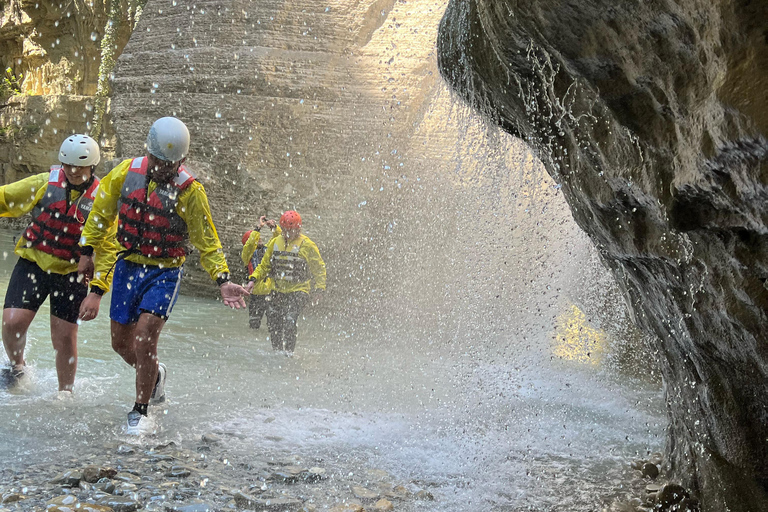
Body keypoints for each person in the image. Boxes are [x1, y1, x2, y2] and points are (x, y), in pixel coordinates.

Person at [77, 116, 248, 435]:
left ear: (181, 161)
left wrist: (222, 280)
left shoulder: (191, 191)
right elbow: (100, 213)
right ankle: (155, 375)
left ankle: (140, 411)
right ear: (148, 152)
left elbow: (207, 240)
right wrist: (87, 252)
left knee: (145, 336)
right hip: (127, 265)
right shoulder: (126, 172)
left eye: (168, 164)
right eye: (156, 160)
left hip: (165, 271)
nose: (160, 168)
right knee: (120, 344)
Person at [0, 134, 102, 393]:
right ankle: (17, 367)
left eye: (80, 167)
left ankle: (65, 392)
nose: (73, 171)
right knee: (12, 322)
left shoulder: (102, 199)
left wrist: (97, 292)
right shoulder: (44, 183)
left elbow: (110, 248)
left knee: (65, 337)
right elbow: (5, 197)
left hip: (72, 273)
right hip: (33, 262)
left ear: (92, 166)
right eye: (68, 165)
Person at [246, 210, 325, 353]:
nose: (288, 234)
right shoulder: (275, 242)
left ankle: (289, 353)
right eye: (285, 230)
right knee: (273, 322)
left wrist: (320, 289)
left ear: (298, 229)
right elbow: (264, 266)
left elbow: (318, 268)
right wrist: (253, 279)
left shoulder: (308, 245)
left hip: (299, 289)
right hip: (277, 289)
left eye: (291, 231)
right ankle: (277, 353)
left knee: (289, 320)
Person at [241, 216, 281, 330]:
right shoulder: (247, 255)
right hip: (257, 294)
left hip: (271, 291)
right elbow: (250, 245)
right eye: (257, 238)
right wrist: (258, 228)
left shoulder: (267, 249)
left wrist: (273, 227)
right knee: (254, 325)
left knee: (273, 326)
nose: (260, 239)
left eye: (259, 238)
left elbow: (278, 238)